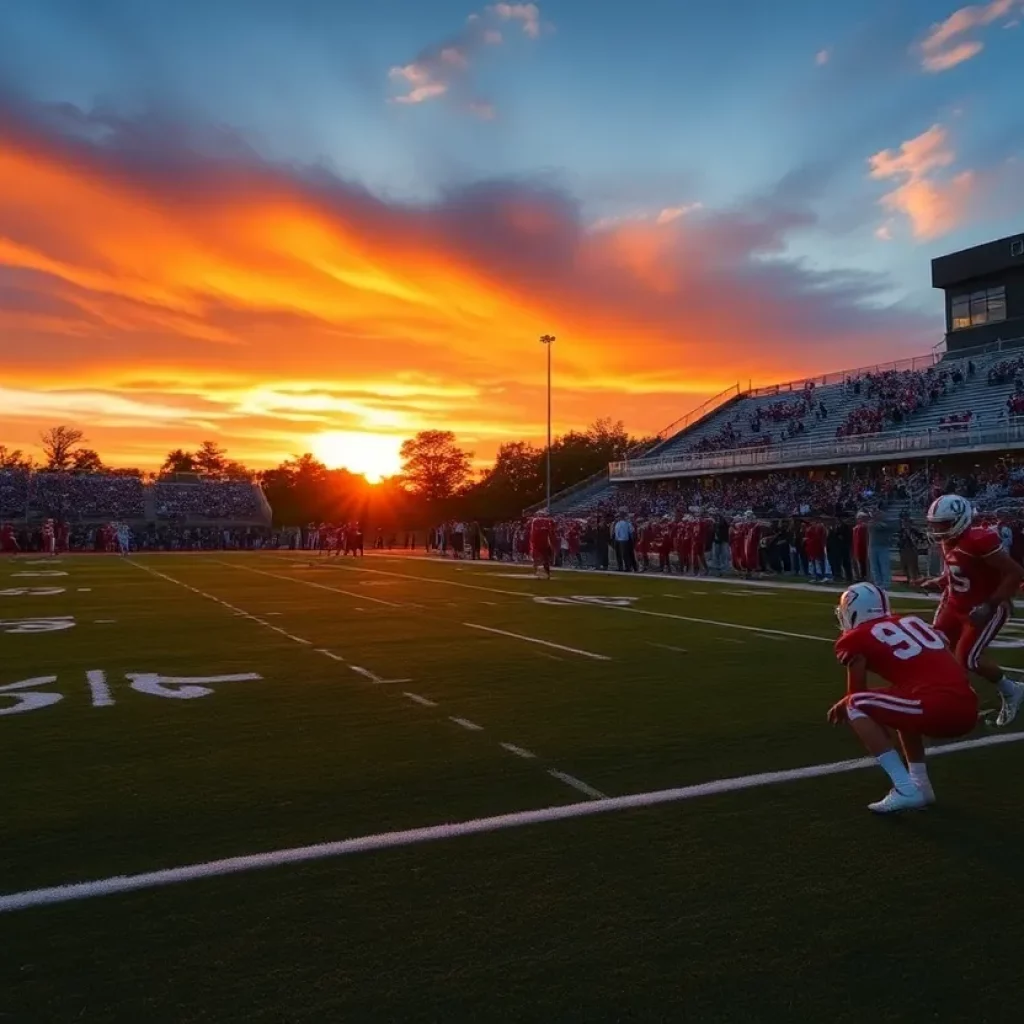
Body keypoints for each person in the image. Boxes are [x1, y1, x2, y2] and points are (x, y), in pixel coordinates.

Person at [828, 582, 978, 813]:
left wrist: (848, 705)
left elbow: (856, 693)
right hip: (967, 704)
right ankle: (921, 785)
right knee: (904, 701)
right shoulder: (913, 622)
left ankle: (905, 788)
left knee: (854, 705)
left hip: (940, 707)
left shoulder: (855, 639)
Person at [923, 494, 1024, 727]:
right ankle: (954, 699)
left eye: (943, 524)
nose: (938, 529)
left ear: (961, 519)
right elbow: (959, 571)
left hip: (984, 606)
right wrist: (939, 581)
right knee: (935, 645)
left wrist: (990, 604)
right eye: (935, 524)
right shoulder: (948, 539)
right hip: (954, 603)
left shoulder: (979, 539)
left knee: (968, 659)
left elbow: (1015, 572)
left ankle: (1012, 691)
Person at [529, 512, 555, 579]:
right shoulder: (546, 522)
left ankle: (540, 573)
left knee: (538, 559)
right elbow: (551, 532)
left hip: (538, 543)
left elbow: (533, 533)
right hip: (544, 543)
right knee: (544, 559)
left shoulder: (536, 521)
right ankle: (546, 573)